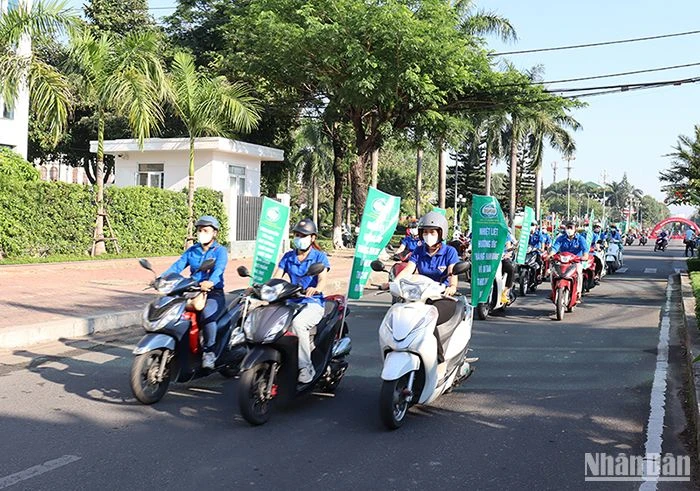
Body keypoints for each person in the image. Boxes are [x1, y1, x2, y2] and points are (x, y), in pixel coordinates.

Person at [162, 216, 228, 369]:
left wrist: (210, 282)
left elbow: (219, 269)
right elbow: (177, 266)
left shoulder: (220, 251)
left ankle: (209, 352)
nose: (202, 233)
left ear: (215, 233)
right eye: (199, 230)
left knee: (207, 314)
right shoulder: (192, 251)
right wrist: (161, 278)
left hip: (213, 293)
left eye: (206, 230)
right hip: (191, 291)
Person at [273, 218, 331, 384]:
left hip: (312, 302)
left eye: (303, 235)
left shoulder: (319, 257)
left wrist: (316, 289)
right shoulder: (288, 256)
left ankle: (306, 367)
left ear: (313, 238)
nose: (299, 238)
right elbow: (277, 277)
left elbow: (322, 280)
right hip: (290, 302)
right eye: (297, 234)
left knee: (298, 324)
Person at [390, 211, 460, 296]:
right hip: (420, 292)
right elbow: (408, 270)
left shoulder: (450, 251)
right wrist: (394, 283)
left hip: (442, 294)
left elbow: (452, 273)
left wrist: (452, 286)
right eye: (425, 232)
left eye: (432, 232)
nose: (428, 235)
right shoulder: (418, 250)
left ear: (441, 233)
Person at [551, 221, 589, 303]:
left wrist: (584, 257)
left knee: (579, 272)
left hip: (575, 262)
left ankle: (578, 293)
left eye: (571, 228)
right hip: (562, 261)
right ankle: (553, 291)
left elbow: (585, 251)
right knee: (552, 272)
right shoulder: (561, 238)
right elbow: (555, 248)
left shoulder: (580, 239)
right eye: (567, 227)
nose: (569, 229)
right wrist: (550, 255)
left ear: (575, 229)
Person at [501, 228, 517, 304]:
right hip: (488, 259)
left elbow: (508, 247)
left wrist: (512, 248)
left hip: (502, 259)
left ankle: (505, 292)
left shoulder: (505, 234)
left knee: (511, 270)